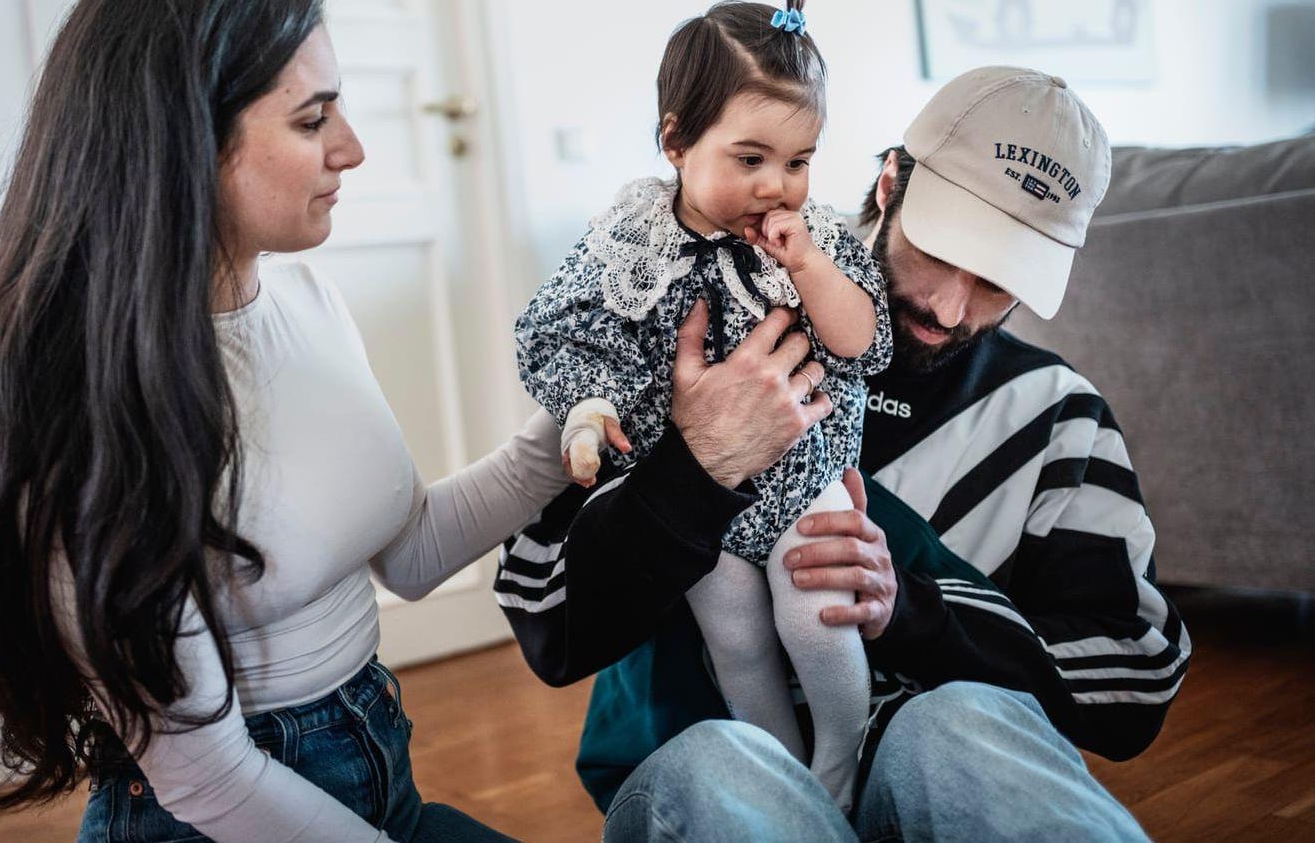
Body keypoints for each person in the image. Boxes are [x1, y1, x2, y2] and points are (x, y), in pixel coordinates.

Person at [0, 0, 572, 843]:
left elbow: (410, 554)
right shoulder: (89, 408)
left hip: (376, 768)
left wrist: (588, 424)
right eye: (313, 121)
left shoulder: (306, 298)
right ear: (185, 141)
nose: (351, 149)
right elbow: (213, 783)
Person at [495, 66, 1189, 840]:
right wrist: (698, 464)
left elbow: (1136, 683)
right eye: (940, 251)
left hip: (942, 765)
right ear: (891, 182)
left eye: (999, 282)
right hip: (723, 765)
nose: (950, 308)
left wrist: (914, 609)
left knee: (960, 729)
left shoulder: (1057, 416)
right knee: (720, 765)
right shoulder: (671, 335)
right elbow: (546, 621)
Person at [513, 0, 890, 808]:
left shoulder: (815, 237)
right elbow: (570, 327)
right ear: (676, 143)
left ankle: (840, 764)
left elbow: (863, 344)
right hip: (698, 492)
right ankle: (786, 780)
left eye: (799, 162)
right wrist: (590, 409)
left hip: (801, 471)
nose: (776, 187)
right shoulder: (632, 235)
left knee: (812, 620)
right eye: (750, 159)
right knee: (737, 640)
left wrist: (811, 270)